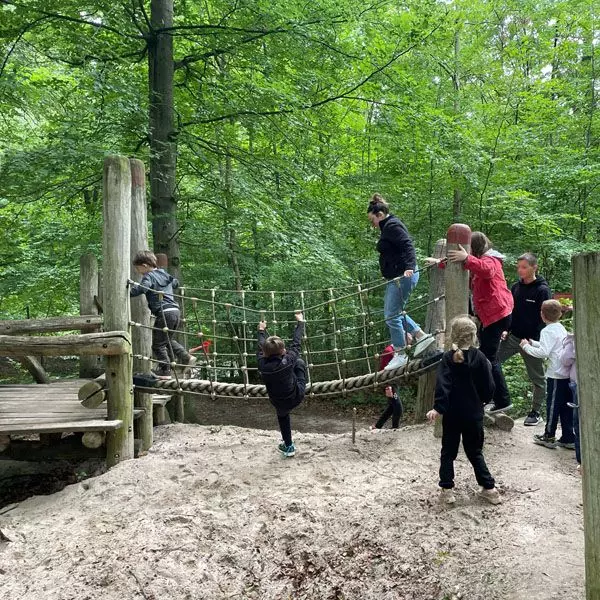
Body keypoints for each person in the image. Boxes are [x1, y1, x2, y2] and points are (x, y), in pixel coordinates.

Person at [426, 315, 501, 505]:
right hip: (474, 414)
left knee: (448, 452)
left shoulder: (448, 358)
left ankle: (447, 491)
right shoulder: (481, 357)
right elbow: (490, 386)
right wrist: (481, 402)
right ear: (474, 335)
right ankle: (490, 489)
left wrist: (438, 408)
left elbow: (443, 386)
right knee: (475, 451)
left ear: (453, 336)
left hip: (452, 414)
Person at [444, 232, 514, 414]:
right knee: (485, 356)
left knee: (488, 358)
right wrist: (442, 264)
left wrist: (466, 258)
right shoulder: (482, 261)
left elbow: (486, 269)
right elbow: (469, 273)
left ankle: (502, 400)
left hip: (496, 314)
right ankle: (490, 397)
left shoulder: (491, 260)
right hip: (492, 315)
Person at [367, 193, 435, 371]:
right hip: (396, 277)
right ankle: (421, 336)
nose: (372, 224)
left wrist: (410, 266)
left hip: (403, 276)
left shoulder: (392, 226)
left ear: (380, 215)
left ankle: (400, 354)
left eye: (372, 220)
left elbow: (407, 245)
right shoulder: (388, 227)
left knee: (391, 315)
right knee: (394, 313)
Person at [498, 253, 551, 426]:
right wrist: (505, 329)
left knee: (538, 378)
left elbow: (545, 318)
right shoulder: (515, 287)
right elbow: (509, 311)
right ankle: (494, 400)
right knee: (491, 362)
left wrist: (533, 341)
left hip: (532, 341)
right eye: (518, 267)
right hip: (513, 337)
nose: (520, 270)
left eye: (524, 267)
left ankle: (536, 412)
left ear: (534, 267)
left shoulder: (542, 290)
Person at [129, 250, 196, 378]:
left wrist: (128, 291)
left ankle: (165, 371)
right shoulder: (164, 274)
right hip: (175, 311)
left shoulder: (148, 276)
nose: (138, 272)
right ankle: (186, 357)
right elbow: (175, 283)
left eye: (138, 269)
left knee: (157, 345)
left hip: (164, 313)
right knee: (167, 340)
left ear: (144, 266)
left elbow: (144, 288)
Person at [520, 300, 573, 450]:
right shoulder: (559, 328)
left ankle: (549, 436)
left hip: (555, 374)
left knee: (553, 406)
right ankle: (568, 436)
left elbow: (543, 353)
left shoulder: (547, 331)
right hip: (565, 373)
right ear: (559, 314)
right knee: (565, 407)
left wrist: (525, 347)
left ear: (542, 315)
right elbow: (552, 347)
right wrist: (534, 343)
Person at [257, 312, 306, 458]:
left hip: (279, 402)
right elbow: (296, 343)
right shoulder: (289, 359)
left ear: (265, 354)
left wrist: (261, 330)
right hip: (298, 394)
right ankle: (288, 445)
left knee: (283, 418)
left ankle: (289, 446)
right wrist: (300, 322)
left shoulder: (262, 364)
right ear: (283, 351)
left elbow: (260, 347)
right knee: (300, 362)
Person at [558, 333, 580, 470]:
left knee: (578, 422)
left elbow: (565, 359)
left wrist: (568, 341)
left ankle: (581, 460)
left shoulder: (575, 339)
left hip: (577, 383)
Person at [371, 344, 404, 430]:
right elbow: (383, 370)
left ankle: (377, 426)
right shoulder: (388, 351)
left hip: (394, 382)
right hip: (390, 383)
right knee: (398, 407)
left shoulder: (399, 351)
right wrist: (387, 386)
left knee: (391, 407)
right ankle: (395, 428)